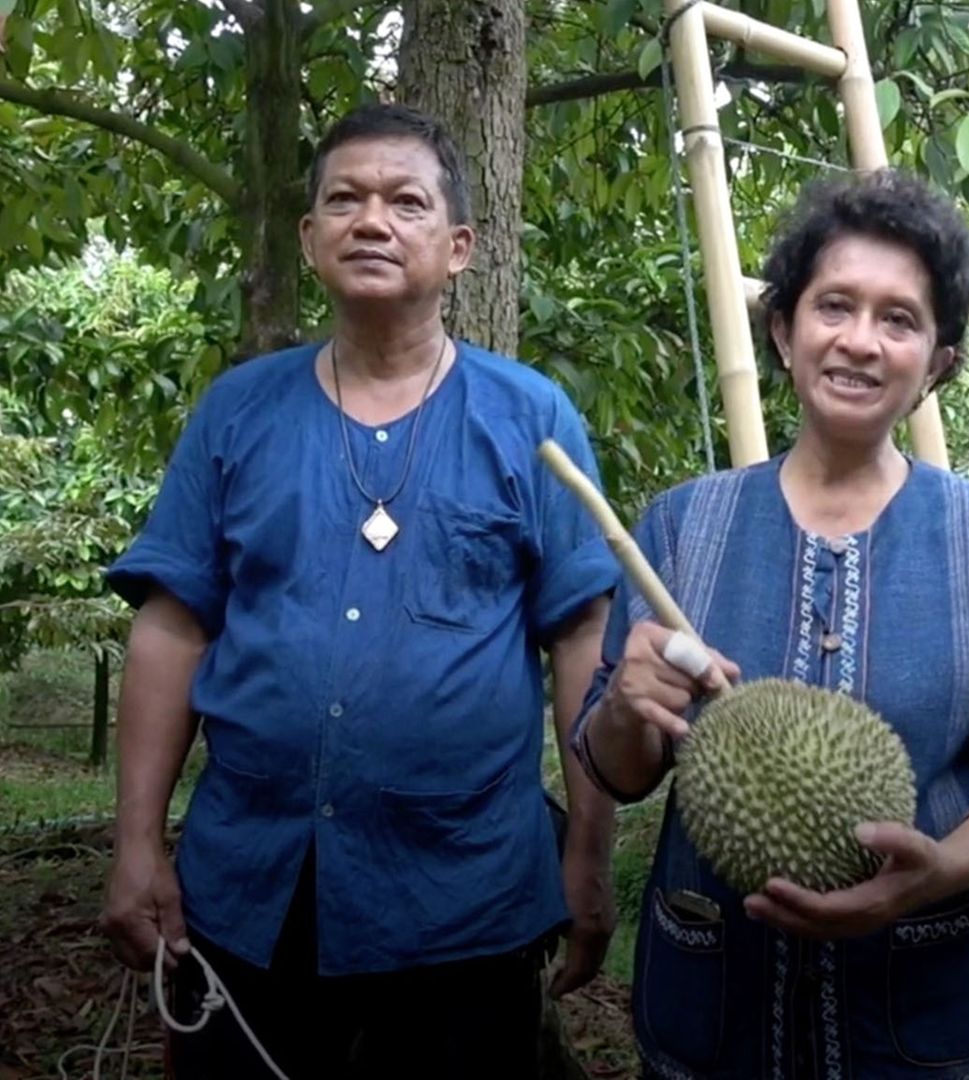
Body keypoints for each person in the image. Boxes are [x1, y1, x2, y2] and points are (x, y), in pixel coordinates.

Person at [98, 103, 620, 1078]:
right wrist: (136, 844)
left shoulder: (530, 417)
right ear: (309, 237)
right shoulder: (238, 412)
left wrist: (589, 854)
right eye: (343, 199)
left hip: (467, 893)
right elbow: (171, 629)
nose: (371, 220)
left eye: (405, 202)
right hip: (251, 889)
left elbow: (584, 639)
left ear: (459, 246)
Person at [572, 170, 969, 1080]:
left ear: (938, 362)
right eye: (835, 306)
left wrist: (942, 868)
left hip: (927, 1017)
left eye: (900, 319)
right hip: (720, 1016)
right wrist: (630, 705)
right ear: (785, 331)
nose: (861, 342)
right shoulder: (680, 527)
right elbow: (622, 768)